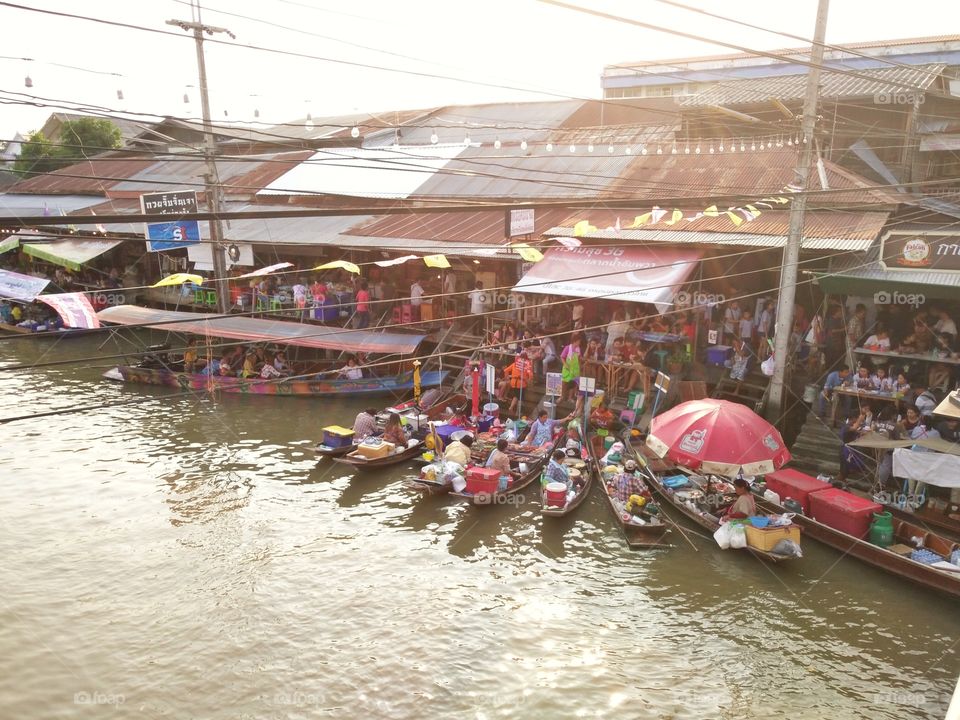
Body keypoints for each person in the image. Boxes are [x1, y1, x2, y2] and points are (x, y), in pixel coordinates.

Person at [502, 349, 533, 415]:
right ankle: (518, 412)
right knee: (520, 398)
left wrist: (507, 379)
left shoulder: (515, 363)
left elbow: (505, 370)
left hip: (513, 382)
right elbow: (531, 375)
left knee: (516, 395)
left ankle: (512, 408)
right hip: (521, 383)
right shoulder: (527, 364)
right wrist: (529, 382)